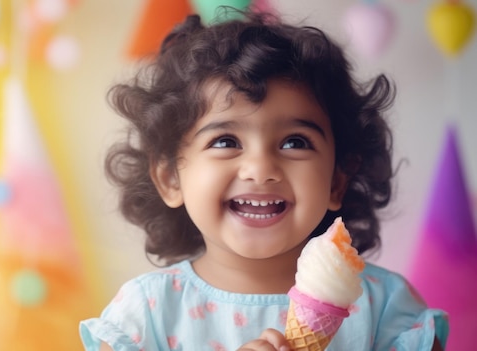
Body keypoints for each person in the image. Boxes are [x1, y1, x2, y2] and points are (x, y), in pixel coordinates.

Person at [80, 9, 449, 351]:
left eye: (295, 142)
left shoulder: (385, 308)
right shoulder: (145, 315)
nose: (261, 168)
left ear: (337, 179)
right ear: (170, 179)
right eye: (225, 141)